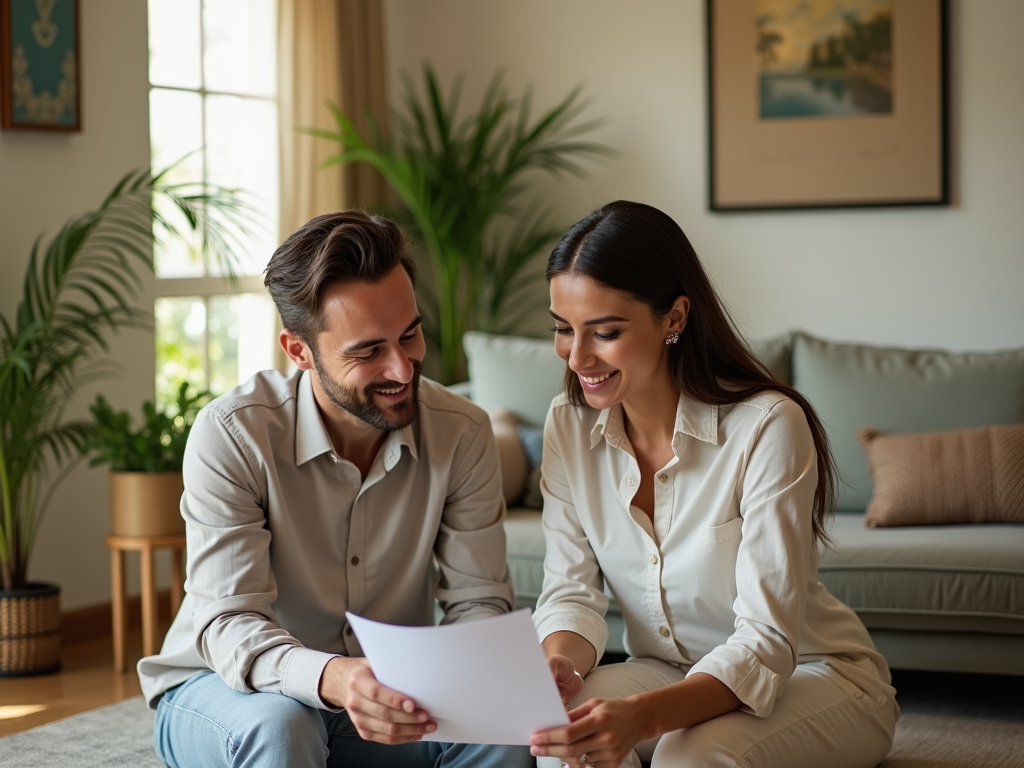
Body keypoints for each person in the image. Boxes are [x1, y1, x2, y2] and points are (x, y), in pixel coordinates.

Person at [138, 211, 533, 768]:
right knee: (284, 728)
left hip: (383, 700)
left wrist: (464, 683)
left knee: (504, 724)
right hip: (230, 689)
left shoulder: (463, 431)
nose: (402, 367)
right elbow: (228, 623)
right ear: (299, 352)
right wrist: (332, 676)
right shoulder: (233, 434)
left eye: (411, 334)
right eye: (368, 351)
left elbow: (479, 604)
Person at [528, 201, 898, 768]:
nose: (577, 358)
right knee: (564, 739)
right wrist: (563, 664)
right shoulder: (568, 423)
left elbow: (767, 641)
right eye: (562, 329)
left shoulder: (768, 424)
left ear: (674, 318)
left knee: (688, 756)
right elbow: (572, 592)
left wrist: (645, 717)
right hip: (665, 667)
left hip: (811, 673)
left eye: (603, 332)